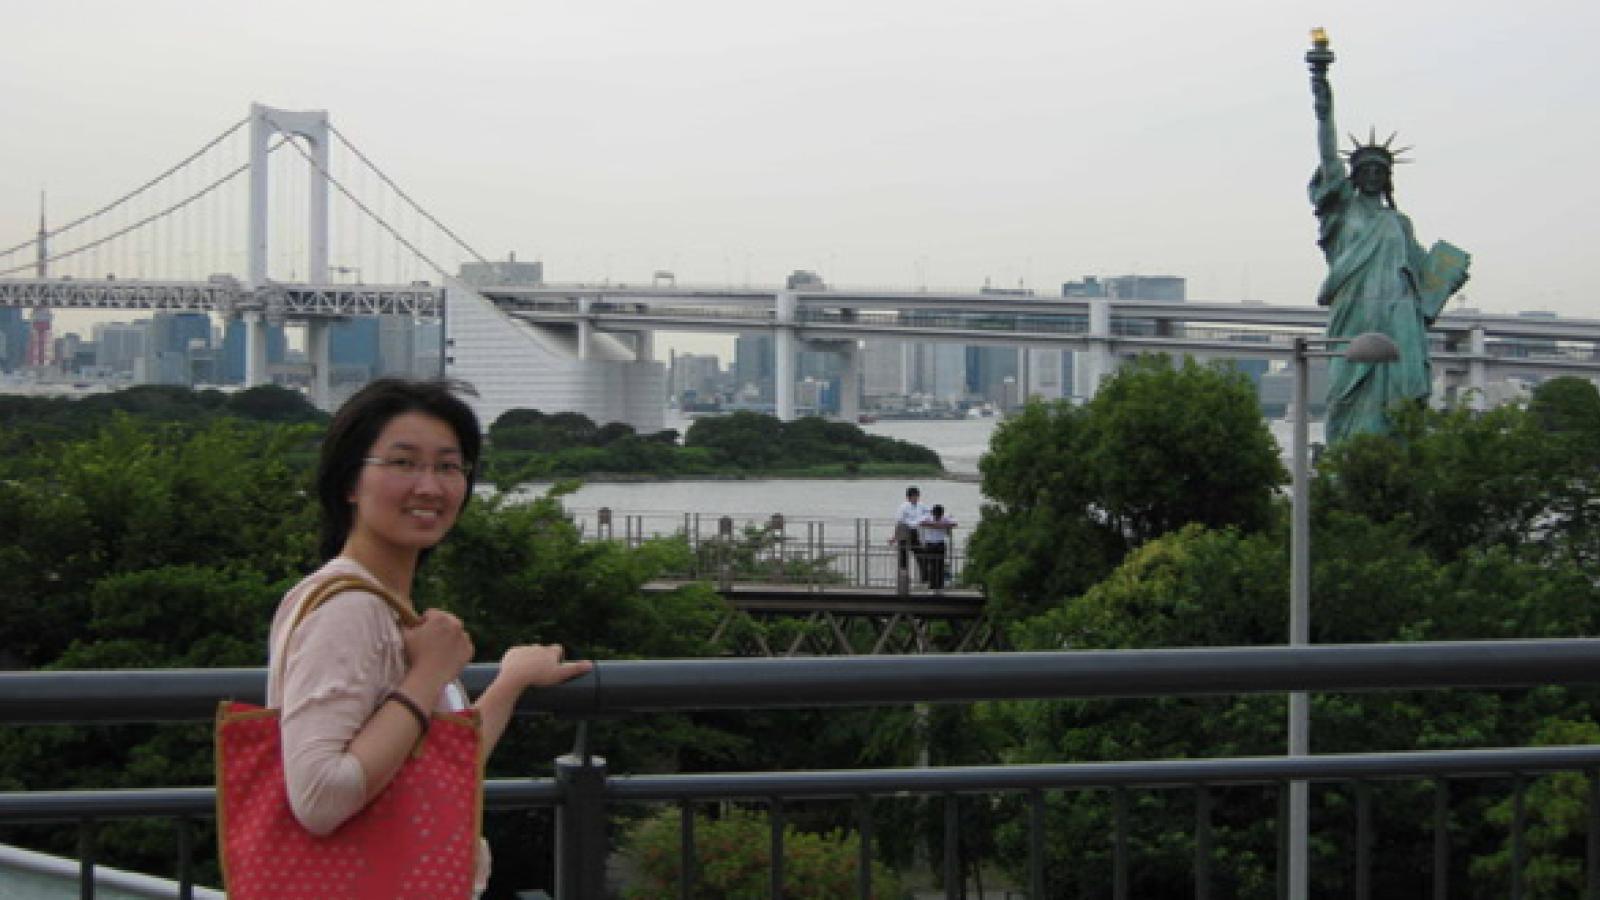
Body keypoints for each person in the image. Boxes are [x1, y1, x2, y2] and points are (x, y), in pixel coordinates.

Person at [266, 378, 592, 894]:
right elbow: (320, 798)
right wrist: (427, 675)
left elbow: (425, 764)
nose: (430, 486)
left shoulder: (381, 603)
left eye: (448, 466)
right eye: (403, 463)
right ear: (350, 482)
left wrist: (510, 682)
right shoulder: (347, 610)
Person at [1307, 32, 1469, 443]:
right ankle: (1345, 462)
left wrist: (1444, 281)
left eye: (1381, 170)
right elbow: (1327, 148)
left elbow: (1421, 283)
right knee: (1346, 394)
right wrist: (1321, 85)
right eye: (1368, 170)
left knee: (1396, 401)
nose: (1375, 176)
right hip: (1354, 313)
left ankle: (1393, 465)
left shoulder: (1400, 223)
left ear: (1388, 178)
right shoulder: (1342, 211)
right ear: (1356, 175)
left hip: (1398, 320)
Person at [892, 485, 928, 584]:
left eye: (917, 496)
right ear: (908, 497)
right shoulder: (903, 507)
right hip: (904, 532)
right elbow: (899, 522)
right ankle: (904, 580)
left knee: (921, 555)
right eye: (913, 496)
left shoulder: (922, 506)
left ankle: (925, 578)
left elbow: (928, 515)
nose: (915, 498)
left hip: (915, 533)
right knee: (903, 558)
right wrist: (895, 537)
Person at [917, 504, 958, 590]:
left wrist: (942, 525)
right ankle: (932, 584)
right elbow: (920, 522)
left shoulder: (945, 518)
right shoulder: (928, 518)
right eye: (936, 515)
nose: (937, 517)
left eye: (939, 515)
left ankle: (940, 584)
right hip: (930, 544)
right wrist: (934, 525)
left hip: (940, 544)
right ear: (933, 513)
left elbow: (954, 523)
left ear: (942, 514)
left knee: (940, 564)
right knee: (931, 565)